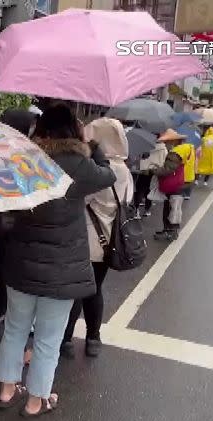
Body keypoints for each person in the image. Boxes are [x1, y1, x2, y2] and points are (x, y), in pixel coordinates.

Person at [0, 104, 116, 417]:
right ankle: (36, 402)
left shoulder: (26, 160)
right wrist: (95, 147)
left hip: (22, 262)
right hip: (63, 271)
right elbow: (109, 175)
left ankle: (7, 391)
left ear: (41, 129)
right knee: (48, 340)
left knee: (14, 329)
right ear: (72, 131)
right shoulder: (79, 163)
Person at [61, 117, 134, 358]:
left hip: (88, 239)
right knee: (96, 289)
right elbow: (128, 200)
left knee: (78, 291)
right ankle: (93, 338)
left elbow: (81, 199)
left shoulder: (96, 169)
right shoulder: (124, 170)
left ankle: (67, 339)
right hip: (110, 241)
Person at [0, 109, 37, 355]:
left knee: (0, 286)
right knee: (18, 289)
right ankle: (19, 346)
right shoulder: (25, 157)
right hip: (18, 231)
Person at [150, 129, 191, 241]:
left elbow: (167, 169)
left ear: (173, 141)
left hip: (174, 185)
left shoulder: (175, 154)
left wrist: (153, 171)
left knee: (172, 208)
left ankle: (170, 232)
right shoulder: (184, 150)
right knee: (173, 207)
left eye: (167, 141)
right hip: (180, 183)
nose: (166, 143)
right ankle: (168, 230)